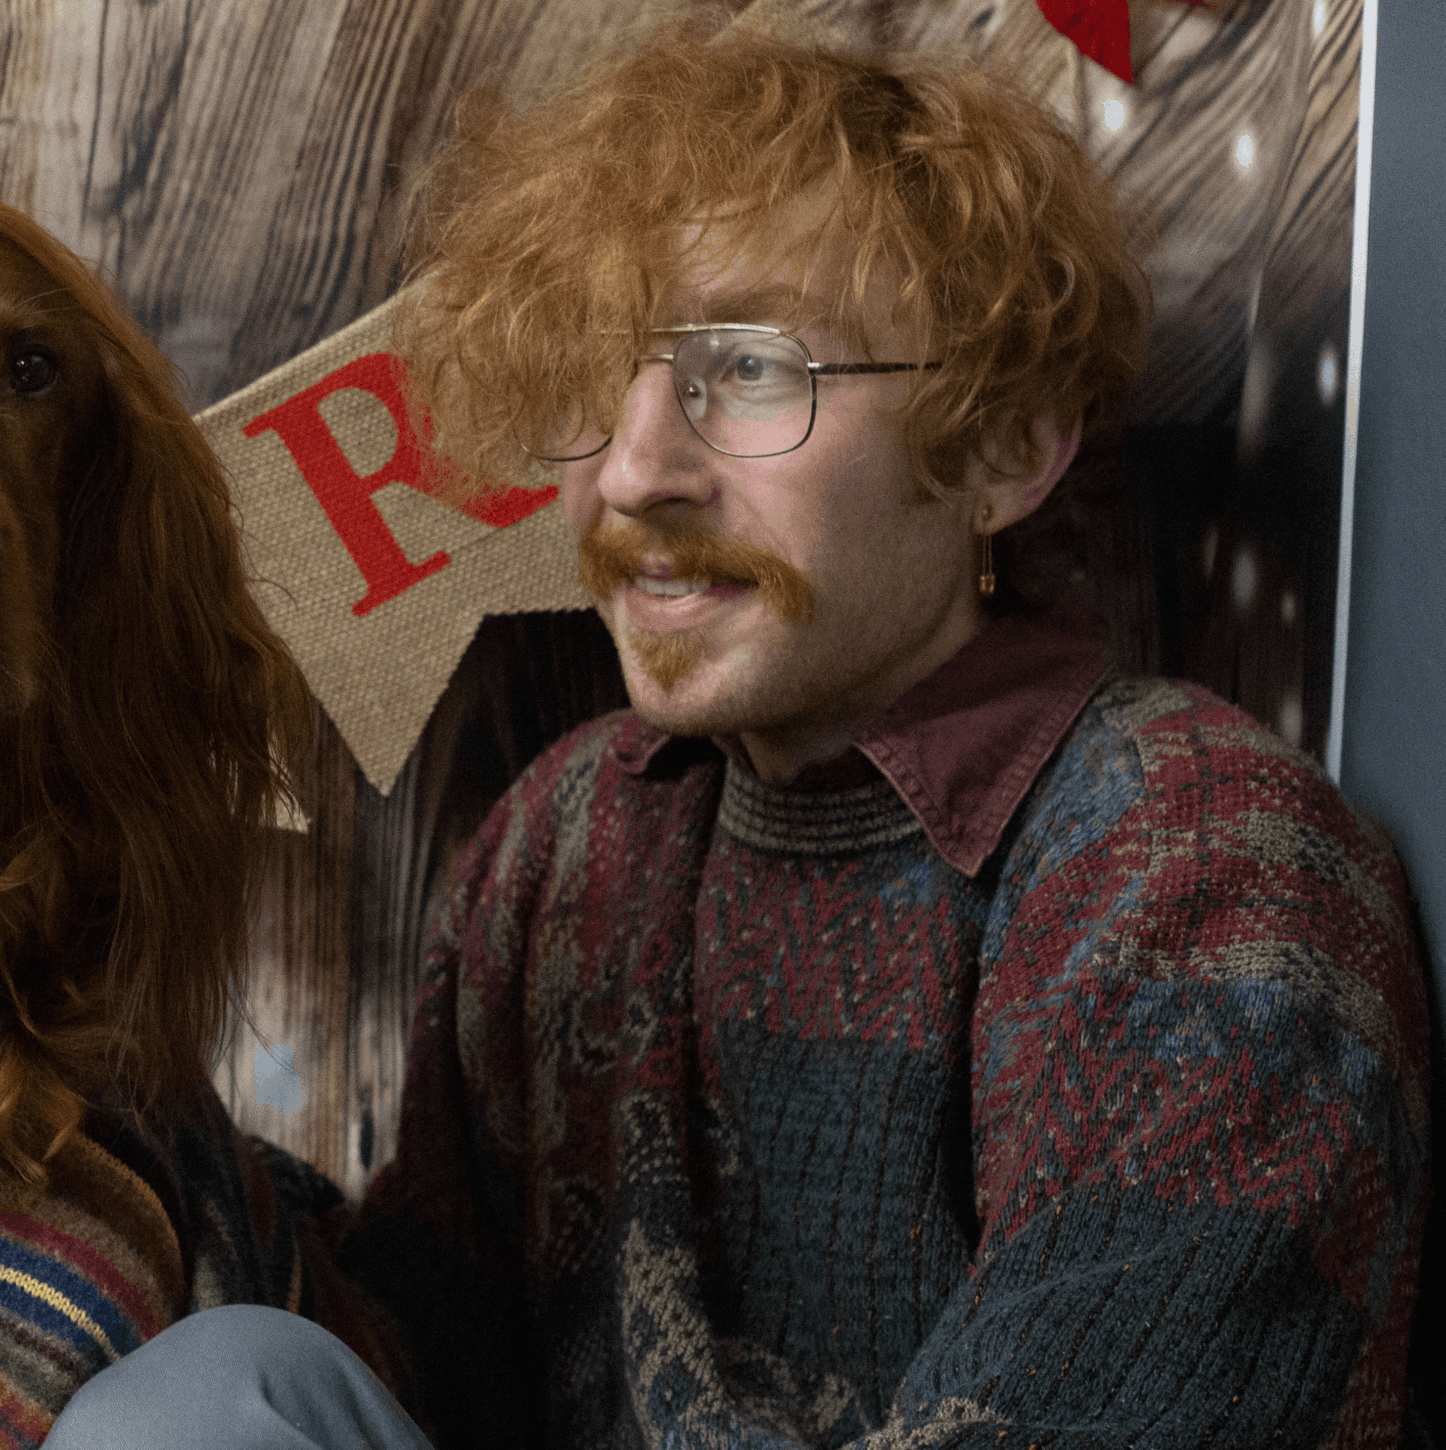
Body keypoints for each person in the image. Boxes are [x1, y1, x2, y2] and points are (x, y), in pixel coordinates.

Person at [338, 17, 1432, 1450]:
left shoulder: (1207, 865)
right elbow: (405, 1347)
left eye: (747, 370)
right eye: (597, 378)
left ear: (1001, 446)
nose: (635, 471)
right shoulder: (568, 837)